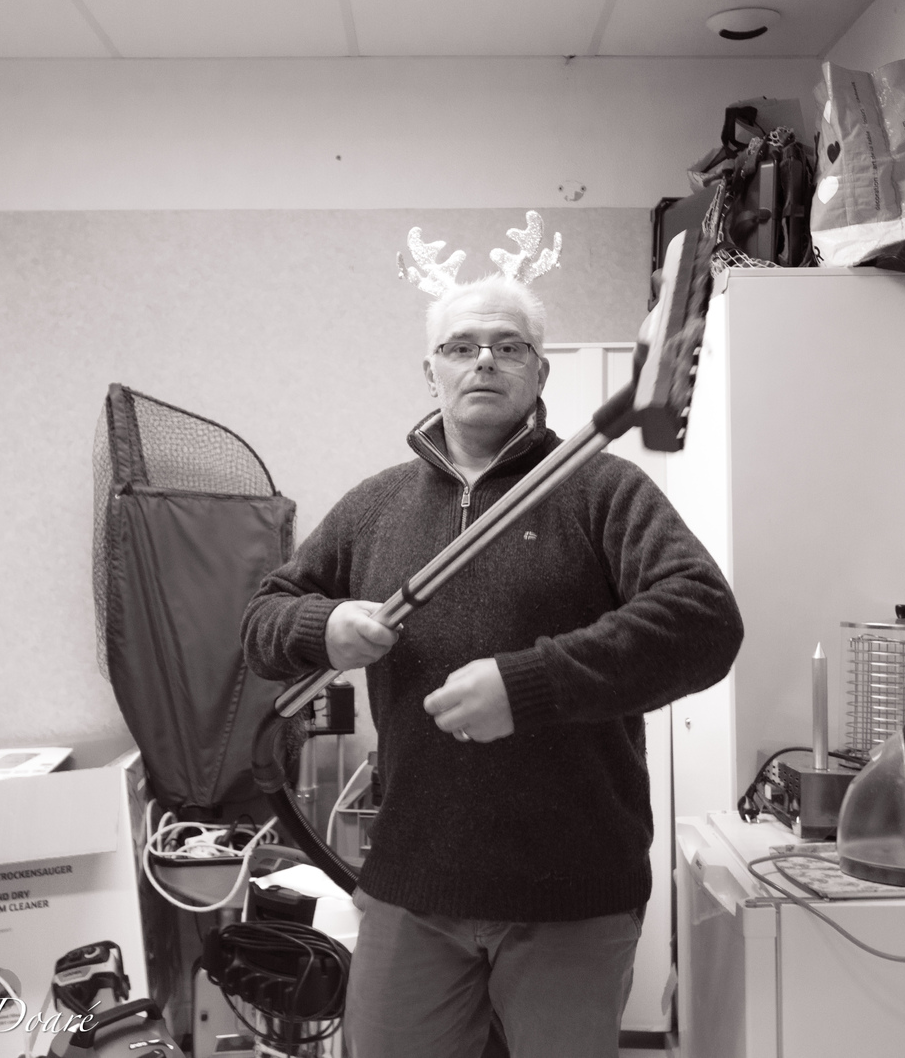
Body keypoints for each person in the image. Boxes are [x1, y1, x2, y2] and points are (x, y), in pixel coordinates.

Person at [241, 257, 741, 1058]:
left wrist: (530, 684)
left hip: (573, 892)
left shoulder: (602, 489)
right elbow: (262, 618)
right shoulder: (374, 506)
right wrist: (320, 625)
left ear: (539, 371)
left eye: (509, 347)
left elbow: (705, 621)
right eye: (461, 346)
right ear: (430, 370)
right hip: (412, 886)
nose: (484, 361)